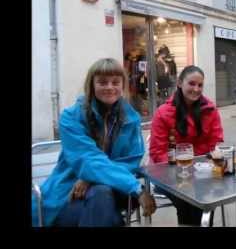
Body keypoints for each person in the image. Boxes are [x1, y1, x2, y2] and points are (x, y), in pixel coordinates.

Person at [31, 58, 157, 227]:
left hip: (117, 190)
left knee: (100, 191)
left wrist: (91, 178)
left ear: (122, 86)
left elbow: (131, 162)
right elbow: (86, 158)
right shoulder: (71, 117)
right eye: (102, 82)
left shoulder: (131, 118)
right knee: (110, 214)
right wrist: (137, 189)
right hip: (70, 192)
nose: (110, 87)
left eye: (115, 82)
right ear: (92, 85)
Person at [149, 65, 224, 225]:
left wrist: (213, 157)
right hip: (168, 175)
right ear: (180, 83)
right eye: (191, 83)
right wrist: (180, 171)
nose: (196, 89)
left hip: (203, 173)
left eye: (200, 85)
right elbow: (157, 152)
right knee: (188, 194)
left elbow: (215, 143)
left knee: (210, 193)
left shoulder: (210, 109)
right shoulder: (163, 112)